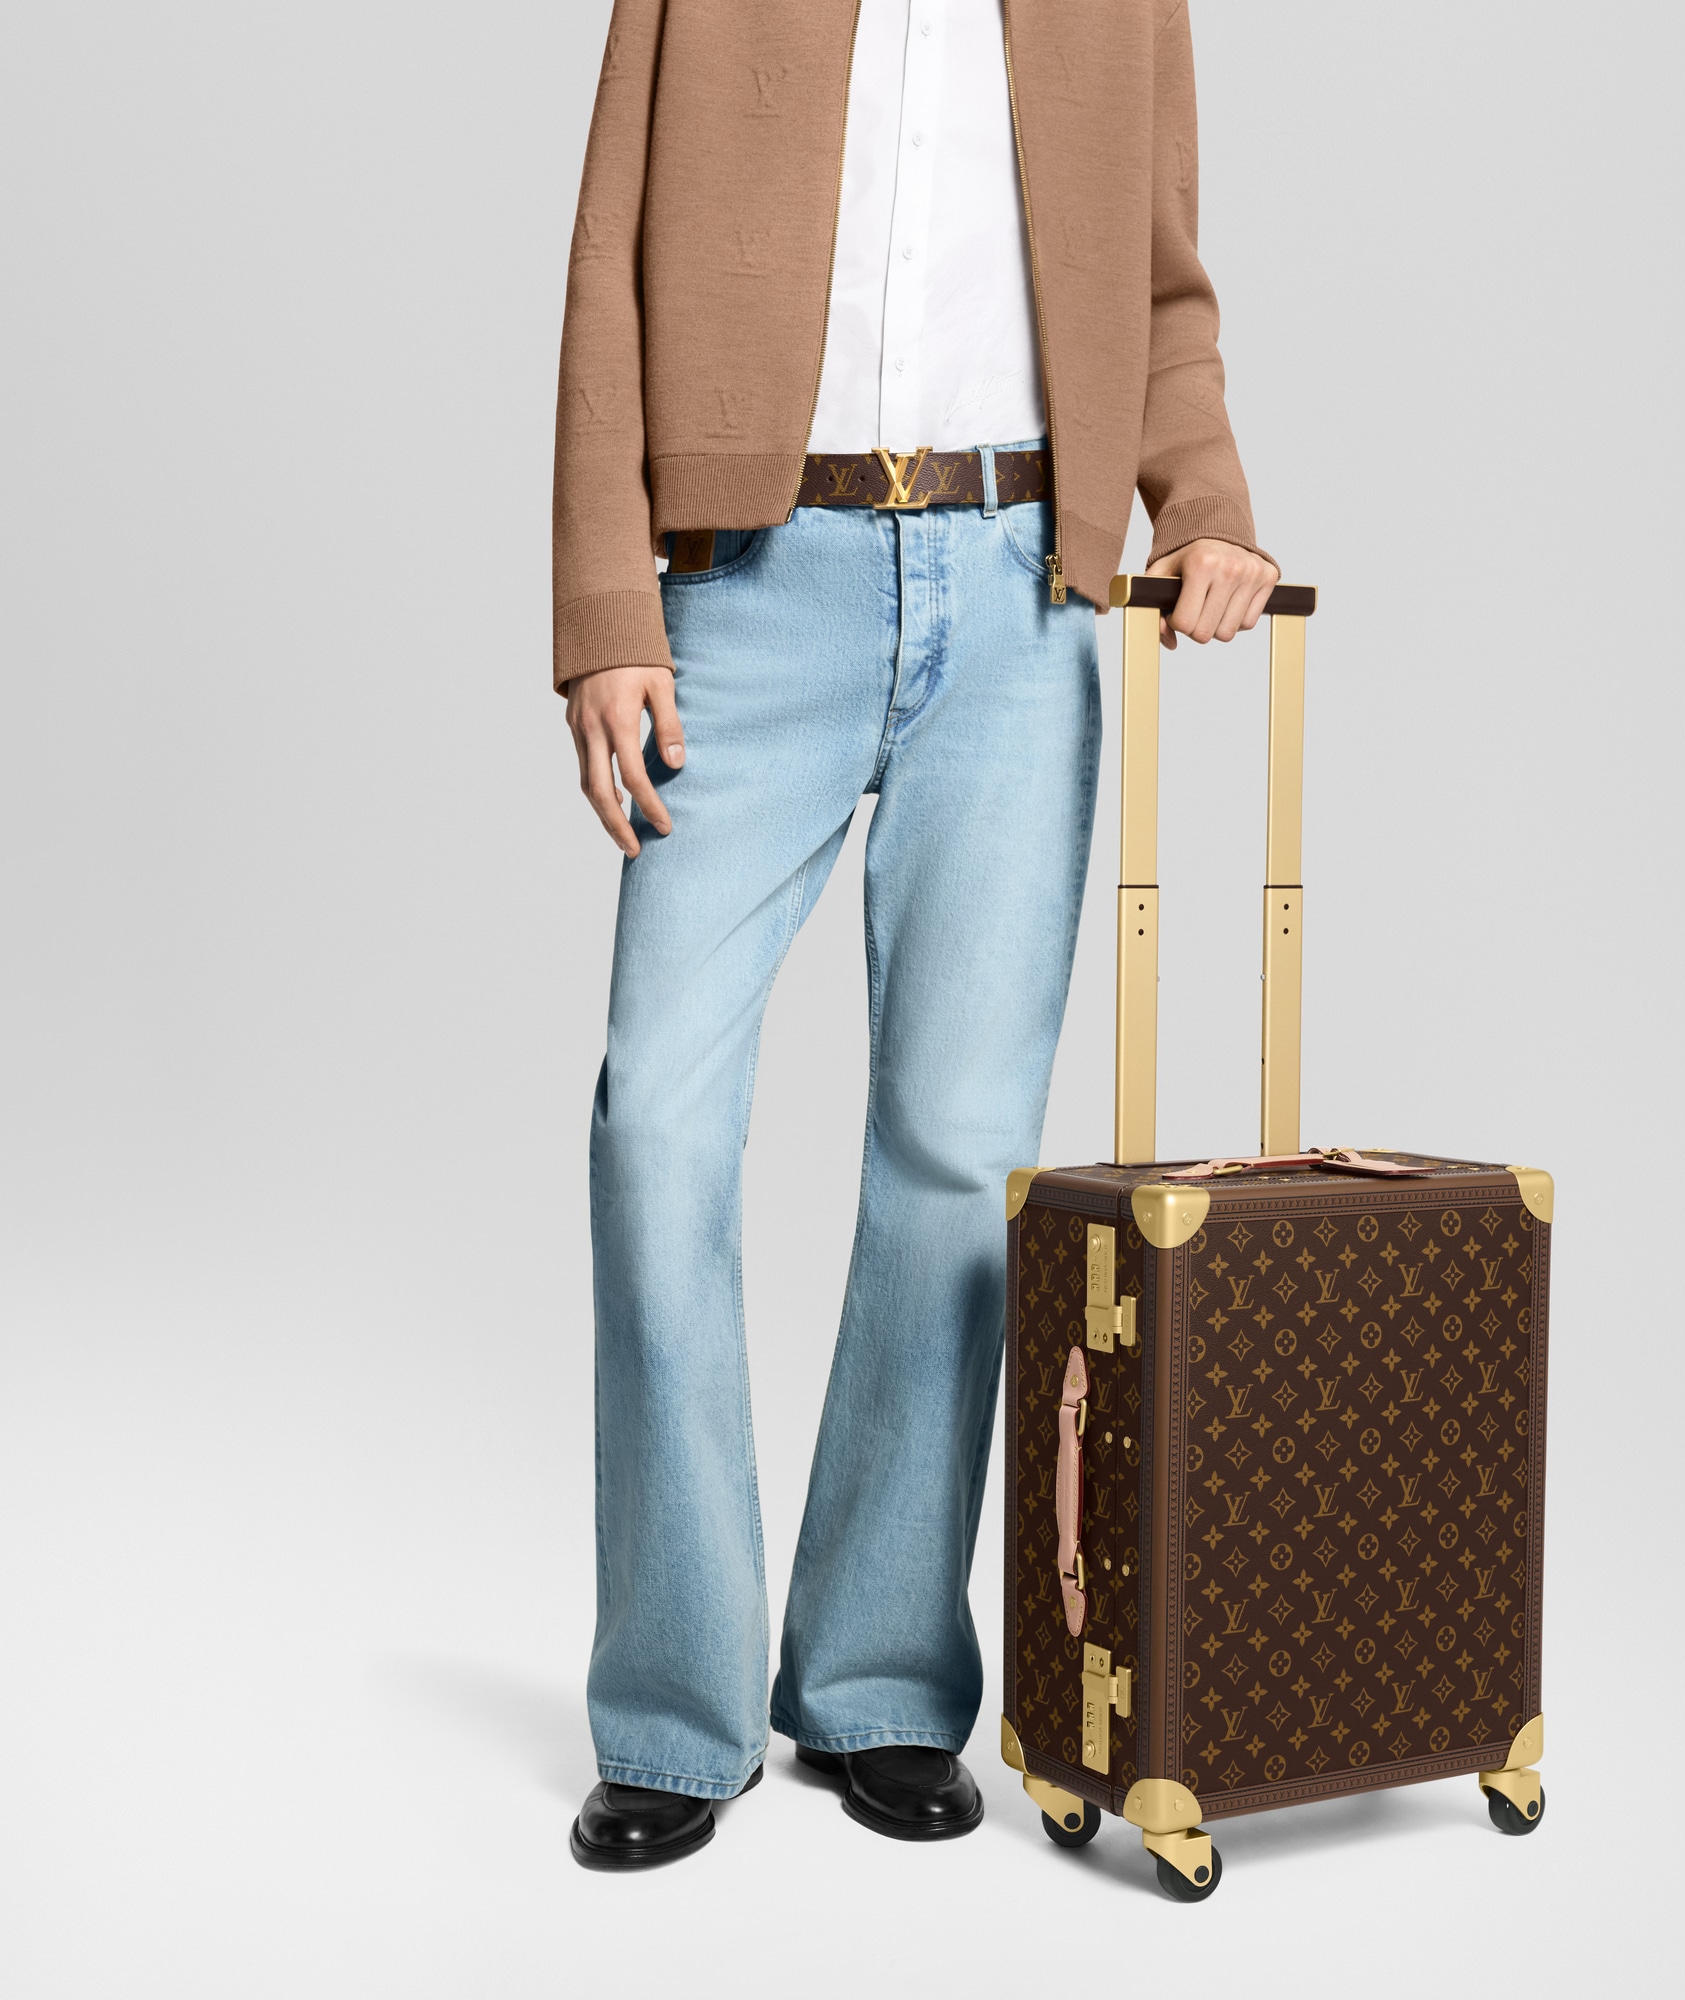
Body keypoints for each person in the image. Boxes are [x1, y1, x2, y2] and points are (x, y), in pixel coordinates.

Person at [556, 0, 1278, 1870]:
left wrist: (1204, 501)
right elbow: (609, 263)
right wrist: (607, 609)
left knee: (959, 1159)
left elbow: (1162, 284)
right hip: (747, 588)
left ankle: (877, 1678)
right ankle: (674, 1708)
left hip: (1022, 595)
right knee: (657, 1131)